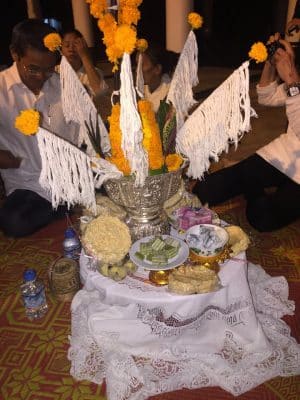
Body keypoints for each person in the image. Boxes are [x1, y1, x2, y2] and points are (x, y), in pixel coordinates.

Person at [192, 33, 300, 232]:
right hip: (285, 153)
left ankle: (257, 186)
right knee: (204, 190)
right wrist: (270, 62)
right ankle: (255, 181)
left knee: (261, 217)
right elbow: (266, 96)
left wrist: (293, 81)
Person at [0, 19, 80, 238]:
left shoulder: (61, 83)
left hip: (67, 177)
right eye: (33, 69)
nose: (42, 78)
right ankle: (65, 207)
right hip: (28, 184)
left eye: (48, 69)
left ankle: (66, 204)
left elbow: (80, 132)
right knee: (13, 222)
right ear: (14, 54)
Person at [59, 29, 108, 102]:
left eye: (75, 45)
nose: (71, 49)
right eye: (67, 45)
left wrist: (85, 56)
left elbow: (100, 92)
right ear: (61, 49)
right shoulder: (55, 72)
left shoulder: (92, 72)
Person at [137, 44, 179, 112]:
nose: (137, 70)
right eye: (137, 65)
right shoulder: (141, 89)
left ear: (157, 69)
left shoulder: (170, 93)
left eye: (142, 65)